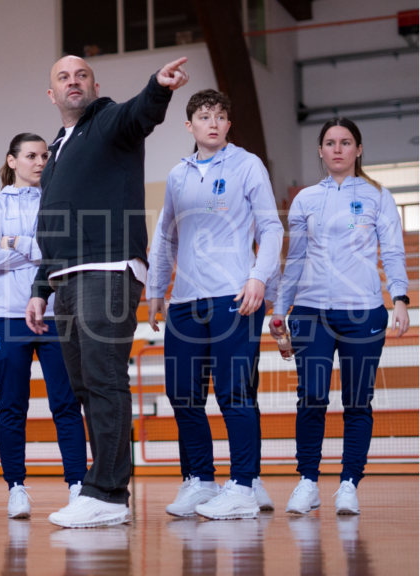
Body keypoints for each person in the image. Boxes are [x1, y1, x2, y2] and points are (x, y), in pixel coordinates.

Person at [25, 55, 189, 528]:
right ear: (51, 93)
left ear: (95, 86)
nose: (72, 82)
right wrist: (40, 286)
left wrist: (159, 87)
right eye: (62, 77)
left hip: (108, 268)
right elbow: (48, 225)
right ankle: (105, 490)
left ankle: (108, 491)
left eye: (81, 76)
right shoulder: (57, 147)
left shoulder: (109, 120)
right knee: (84, 386)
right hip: (65, 278)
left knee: (104, 377)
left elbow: (142, 111)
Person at [147, 89, 283, 520]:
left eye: (220, 116)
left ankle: (243, 485)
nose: (212, 122)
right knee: (183, 394)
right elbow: (164, 236)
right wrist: (155, 290)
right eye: (203, 116)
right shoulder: (177, 175)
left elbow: (272, 228)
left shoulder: (247, 165)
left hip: (234, 297)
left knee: (233, 393)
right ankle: (200, 481)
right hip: (185, 301)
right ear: (189, 126)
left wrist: (259, 277)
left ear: (228, 125)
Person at [272, 117, 409, 515]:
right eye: (329, 142)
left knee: (357, 401)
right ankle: (308, 481)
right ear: (319, 150)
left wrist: (399, 298)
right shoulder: (304, 200)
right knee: (311, 397)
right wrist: (280, 308)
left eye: (345, 142)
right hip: (311, 313)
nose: (337, 149)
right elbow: (294, 258)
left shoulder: (377, 195)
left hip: (364, 311)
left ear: (358, 150)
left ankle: (349, 483)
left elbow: (393, 252)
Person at [0, 133, 88, 518]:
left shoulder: (58, 199)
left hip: (57, 315)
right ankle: (16, 488)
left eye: (44, 155)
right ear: (12, 160)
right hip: (7, 318)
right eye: (31, 155)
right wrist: (38, 248)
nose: (40, 161)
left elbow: (66, 251)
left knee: (66, 404)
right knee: (11, 406)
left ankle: (78, 484)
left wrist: (17, 243)